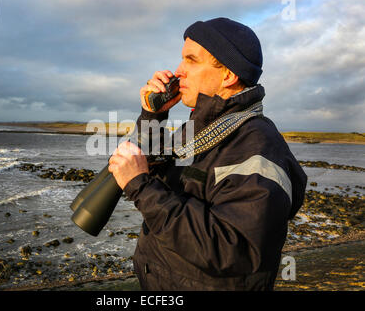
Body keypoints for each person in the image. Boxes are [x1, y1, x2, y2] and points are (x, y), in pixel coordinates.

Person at [108, 17, 307, 290]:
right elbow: (157, 171)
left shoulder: (259, 146)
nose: (179, 71)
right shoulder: (200, 130)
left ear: (228, 74)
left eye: (191, 60)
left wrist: (140, 188)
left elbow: (233, 250)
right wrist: (153, 115)